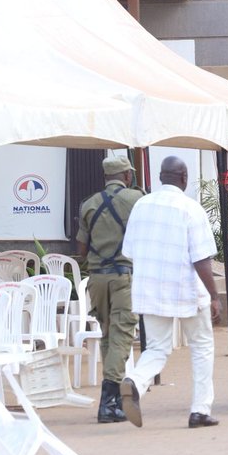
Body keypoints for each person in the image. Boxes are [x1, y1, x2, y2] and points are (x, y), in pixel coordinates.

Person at [119, 156, 222, 429]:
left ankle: (136, 381)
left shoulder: (141, 206)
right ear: (184, 178)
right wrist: (215, 295)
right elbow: (201, 259)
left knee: (156, 348)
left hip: (149, 290)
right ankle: (199, 410)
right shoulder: (190, 208)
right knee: (201, 347)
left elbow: (128, 252)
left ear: (161, 176)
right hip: (187, 291)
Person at [75, 155, 144, 424]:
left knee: (107, 336)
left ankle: (111, 399)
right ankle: (109, 399)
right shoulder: (135, 200)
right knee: (122, 334)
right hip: (122, 277)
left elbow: (80, 249)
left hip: (96, 279)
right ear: (127, 176)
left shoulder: (89, 204)